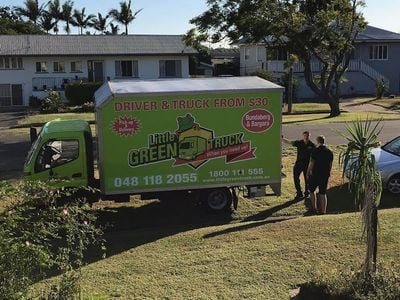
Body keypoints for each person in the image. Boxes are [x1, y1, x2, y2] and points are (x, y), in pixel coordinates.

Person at [283, 131, 316, 199]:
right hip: (298, 163)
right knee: (296, 177)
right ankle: (299, 193)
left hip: (307, 165)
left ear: (309, 136)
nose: (306, 137)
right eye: (305, 135)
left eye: (307, 136)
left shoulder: (312, 145)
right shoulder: (299, 143)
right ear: (303, 136)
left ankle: (307, 192)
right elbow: (289, 142)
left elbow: (315, 155)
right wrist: (282, 139)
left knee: (307, 179)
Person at [307, 135, 334, 214]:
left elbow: (311, 163)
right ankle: (323, 211)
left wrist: (308, 172)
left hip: (315, 174)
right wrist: (328, 173)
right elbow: (330, 164)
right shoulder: (329, 152)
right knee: (323, 193)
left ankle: (314, 208)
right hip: (324, 175)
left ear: (318, 141)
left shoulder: (315, 151)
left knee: (312, 191)